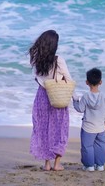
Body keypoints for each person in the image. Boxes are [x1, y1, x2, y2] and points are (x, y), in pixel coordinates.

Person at [29, 29, 73, 171]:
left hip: (42, 96)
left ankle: (47, 164)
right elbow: (68, 79)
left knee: (43, 129)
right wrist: (75, 98)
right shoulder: (58, 60)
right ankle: (57, 164)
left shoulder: (37, 60)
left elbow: (37, 78)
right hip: (57, 97)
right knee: (60, 129)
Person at [72, 68, 105, 172]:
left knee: (87, 147)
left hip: (88, 128)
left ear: (87, 82)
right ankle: (100, 165)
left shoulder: (85, 96)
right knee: (100, 146)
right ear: (100, 82)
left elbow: (80, 108)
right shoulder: (104, 97)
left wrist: (75, 100)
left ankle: (89, 166)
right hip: (100, 127)